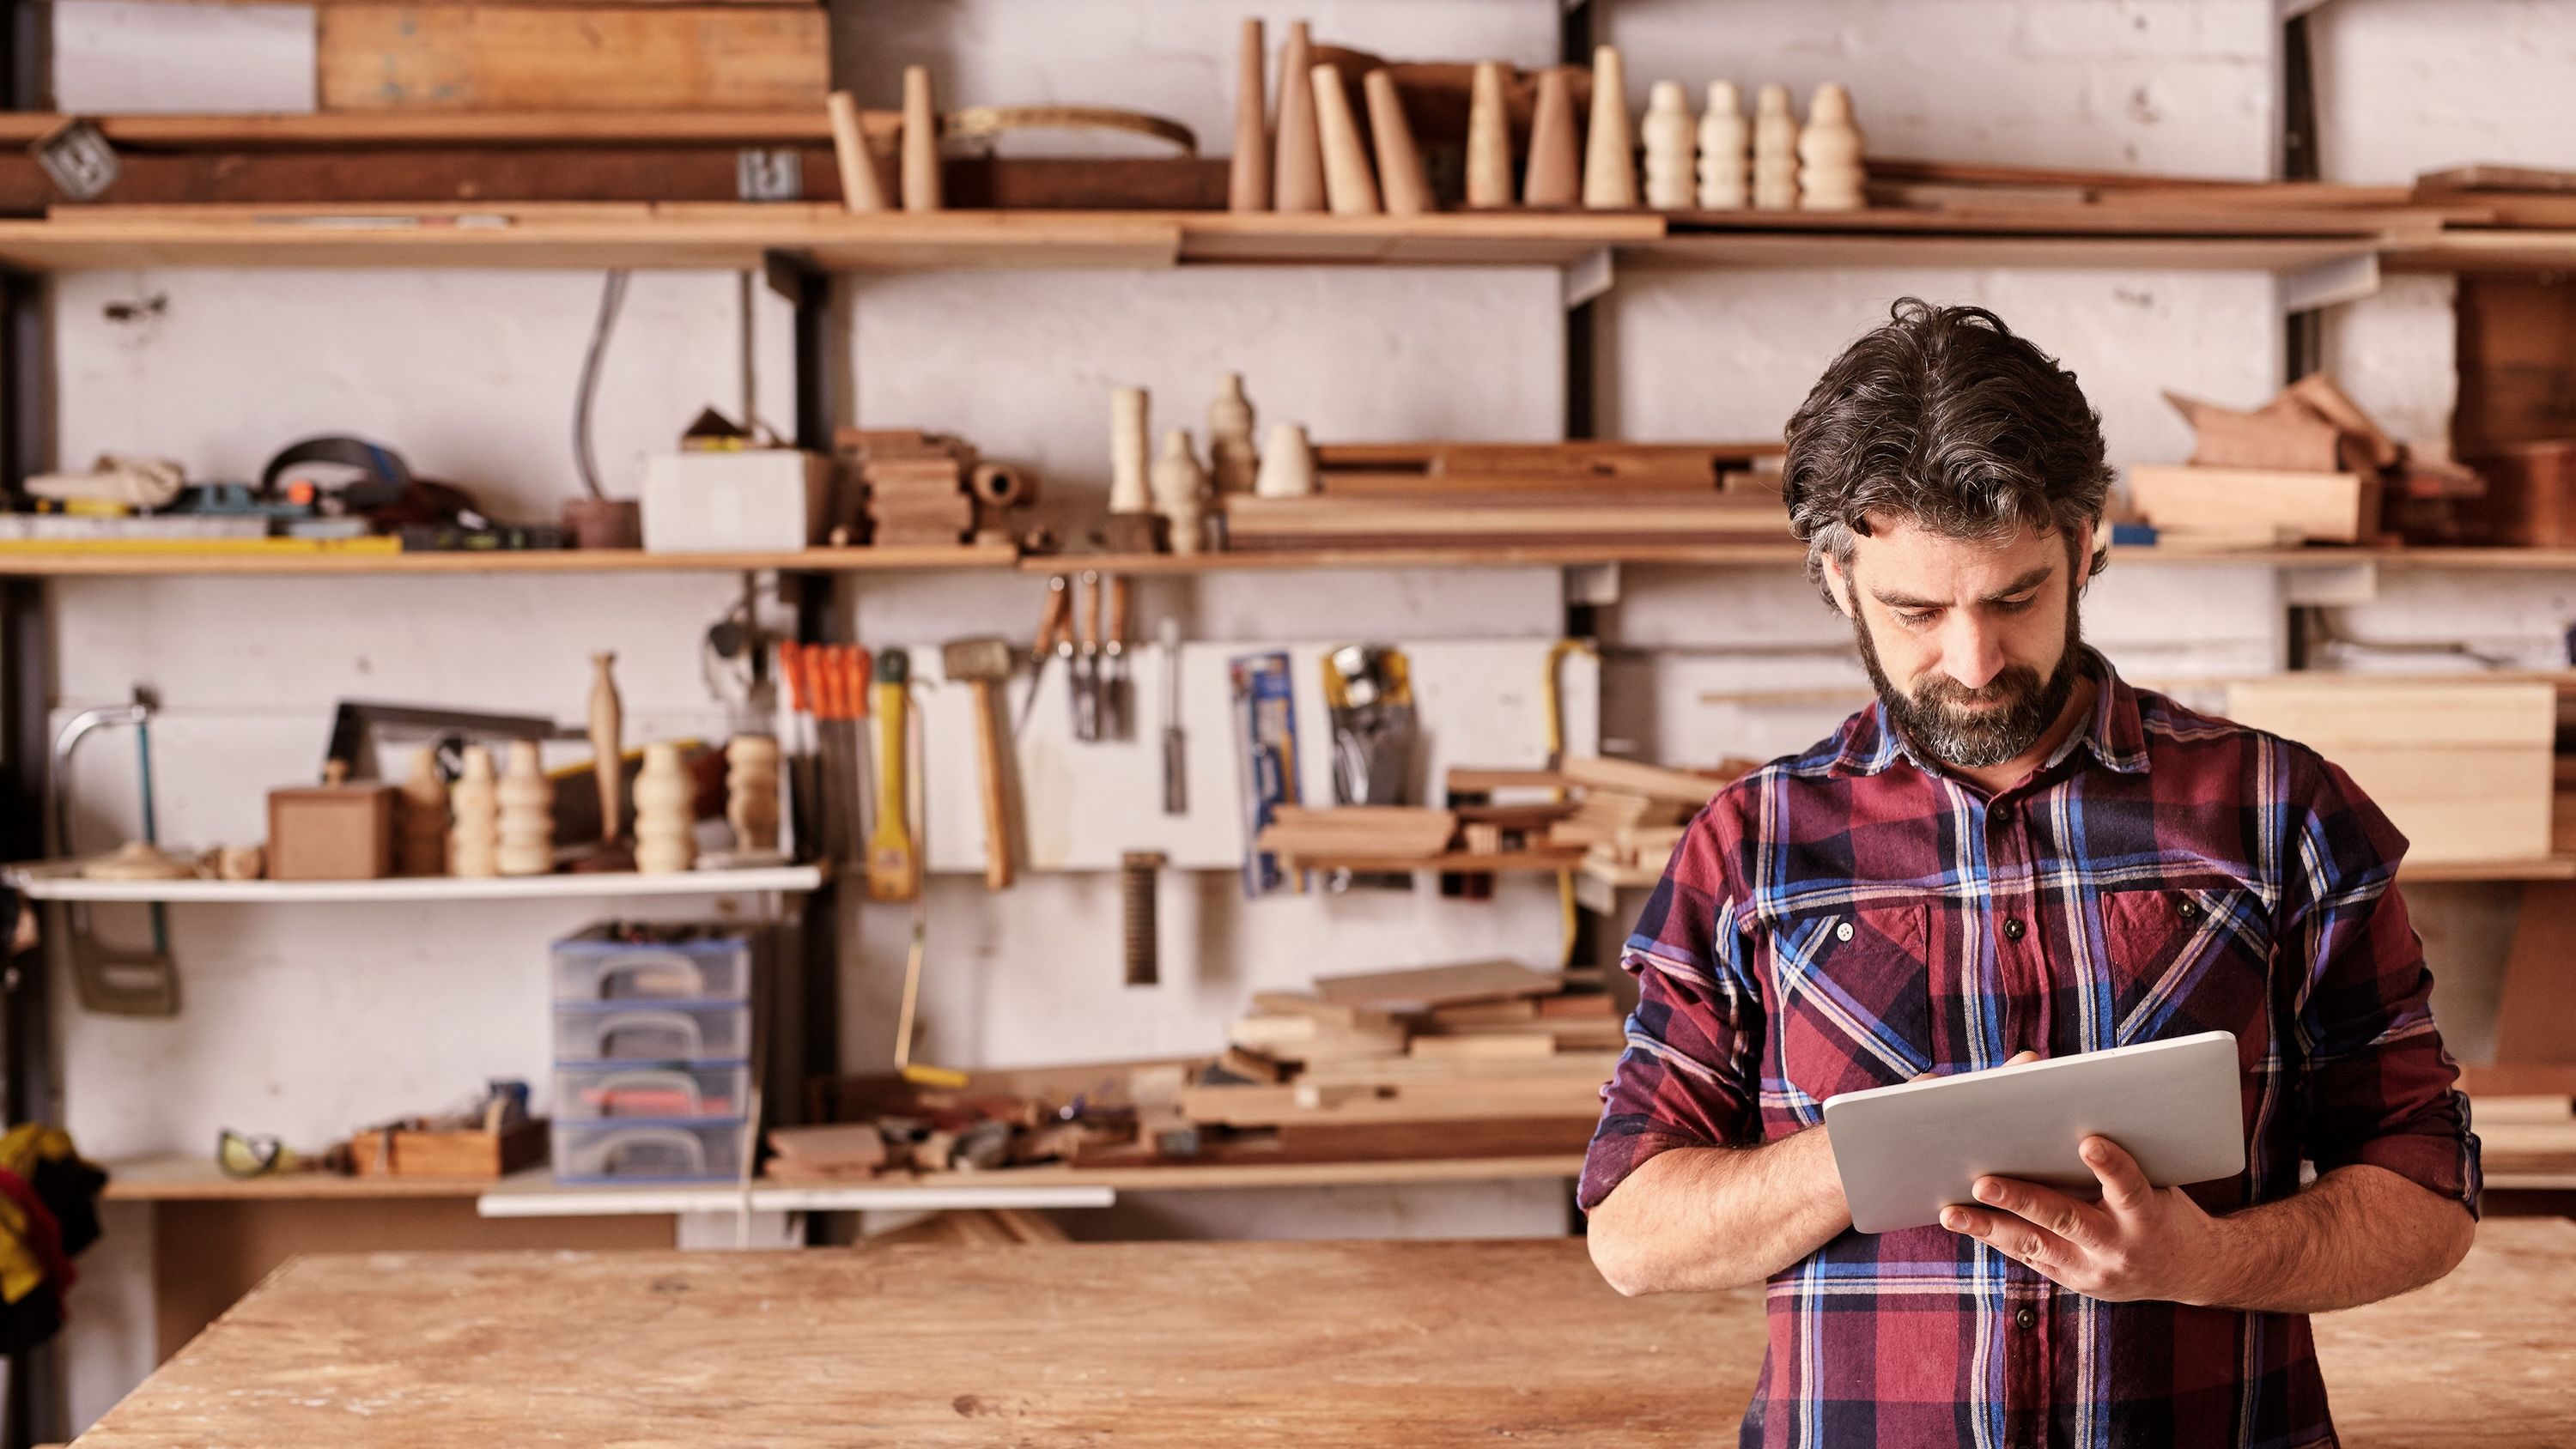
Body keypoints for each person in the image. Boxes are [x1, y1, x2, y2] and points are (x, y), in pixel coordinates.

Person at [1580, 299, 2480, 1449]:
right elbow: (1631, 1234)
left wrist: (2207, 1262)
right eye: (1916, 609)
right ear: (1836, 576)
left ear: (2087, 541)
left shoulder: (2280, 813)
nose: (1974, 660)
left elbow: (2426, 1192)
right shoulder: (1749, 845)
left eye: (2017, 597)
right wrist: (1875, 1152)